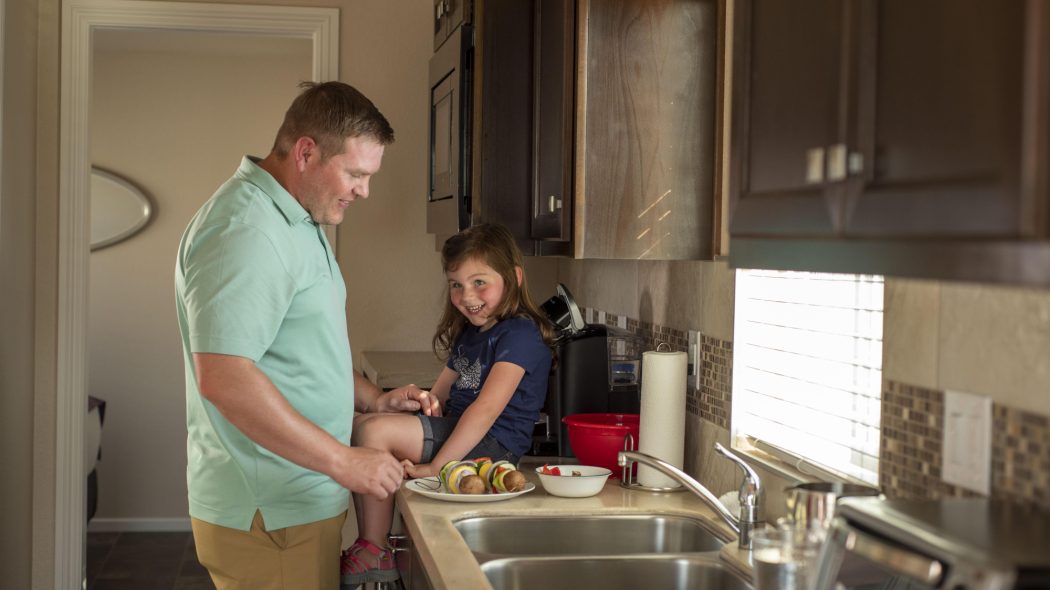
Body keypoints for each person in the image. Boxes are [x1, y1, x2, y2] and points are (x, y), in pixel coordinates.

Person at [174, 81, 438, 590]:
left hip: (293, 504)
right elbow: (225, 378)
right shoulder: (246, 230)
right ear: (306, 153)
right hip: (269, 514)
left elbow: (301, 349)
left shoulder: (295, 219)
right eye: (355, 174)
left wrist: (373, 399)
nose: (364, 190)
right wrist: (343, 461)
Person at [340, 223, 554, 587]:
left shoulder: (520, 334)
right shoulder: (472, 334)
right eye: (456, 284)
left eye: (479, 282)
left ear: (514, 278)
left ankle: (374, 547)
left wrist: (437, 466)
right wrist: (420, 404)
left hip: (493, 446)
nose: (467, 296)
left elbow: (485, 411)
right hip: (464, 432)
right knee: (363, 422)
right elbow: (438, 396)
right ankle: (370, 544)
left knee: (374, 430)